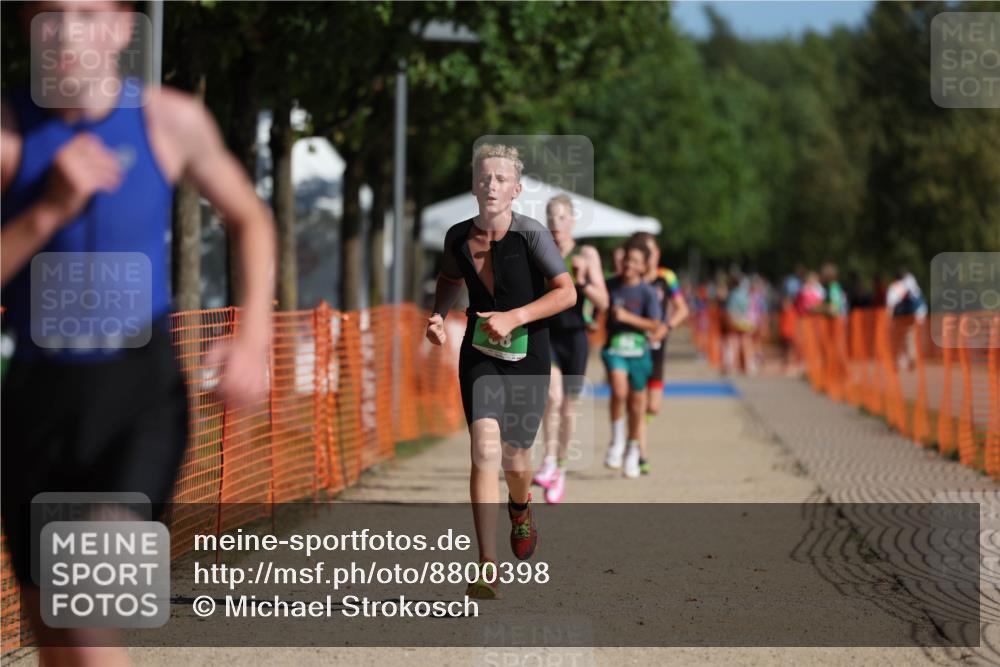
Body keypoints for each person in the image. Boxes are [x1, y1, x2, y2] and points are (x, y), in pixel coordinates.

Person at [0, 2, 275, 664]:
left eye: (88, 14)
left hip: (139, 397)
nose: (68, 32)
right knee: (56, 640)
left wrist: (253, 336)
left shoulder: (169, 120)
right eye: (50, 15)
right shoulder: (9, 132)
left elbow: (249, 217)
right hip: (37, 397)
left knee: (87, 617)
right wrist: (49, 212)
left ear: (124, 27)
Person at [425, 144, 575, 599]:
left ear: (516, 189)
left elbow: (566, 294)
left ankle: (521, 505)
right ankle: (486, 564)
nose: (492, 185)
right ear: (474, 186)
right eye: (484, 178)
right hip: (480, 353)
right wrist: (437, 315)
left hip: (530, 354)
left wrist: (514, 317)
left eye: (501, 179)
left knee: (514, 461)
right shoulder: (456, 237)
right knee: (484, 450)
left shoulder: (532, 236)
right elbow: (451, 278)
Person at [534, 194, 607, 503]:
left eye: (562, 218)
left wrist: (583, 279)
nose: (556, 224)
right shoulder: (538, 250)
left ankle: (560, 467)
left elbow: (604, 302)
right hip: (546, 333)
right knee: (552, 395)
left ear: (572, 221)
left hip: (575, 336)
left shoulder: (586, 253)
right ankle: (548, 459)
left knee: (569, 408)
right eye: (551, 218)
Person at [601, 236, 663, 479]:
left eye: (635, 261)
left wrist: (627, 318)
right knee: (618, 390)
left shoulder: (647, 292)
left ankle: (632, 449)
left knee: (638, 405)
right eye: (626, 259)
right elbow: (596, 306)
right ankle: (616, 439)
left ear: (643, 265)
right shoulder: (610, 285)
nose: (629, 264)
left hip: (639, 351)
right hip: (614, 349)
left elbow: (654, 323)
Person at [633, 233, 688, 473]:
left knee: (653, 406)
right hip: (635, 346)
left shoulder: (667, 277)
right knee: (640, 400)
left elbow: (682, 308)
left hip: (658, 346)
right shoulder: (632, 278)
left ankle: (635, 428)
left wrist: (666, 327)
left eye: (654, 250)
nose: (652, 256)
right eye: (647, 251)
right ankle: (640, 453)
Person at [885, 267, 927, 370]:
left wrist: (888, 319)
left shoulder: (894, 287)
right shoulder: (911, 283)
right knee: (909, 338)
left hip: (899, 317)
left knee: (896, 339)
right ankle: (911, 357)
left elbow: (891, 304)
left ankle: (897, 362)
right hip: (912, 315)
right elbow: (918, 299)